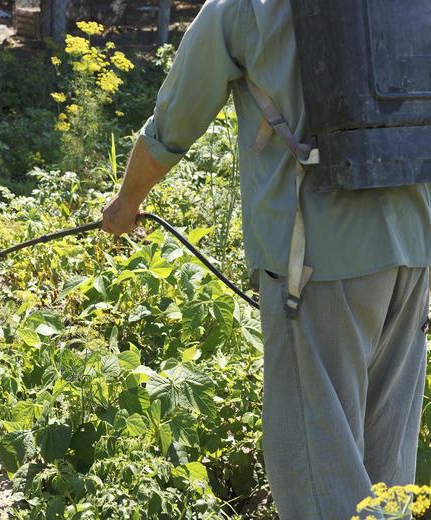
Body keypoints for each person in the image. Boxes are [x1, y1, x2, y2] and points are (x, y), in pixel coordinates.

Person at [101, 0, 431, 518]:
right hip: (414, 249)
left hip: (318, 260)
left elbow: (172, 123)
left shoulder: (242, 9)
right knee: (385, 472)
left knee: (318, 474)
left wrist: (127, 203)